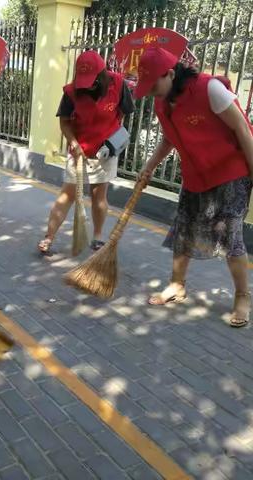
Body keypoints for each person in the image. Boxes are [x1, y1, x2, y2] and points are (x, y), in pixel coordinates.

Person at [136, 46, 253, 328]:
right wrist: (148, 166)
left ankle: (242, 296)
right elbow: (168, 139)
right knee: (184, 229)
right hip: (195, 174)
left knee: (230, 235)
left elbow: (242, 128)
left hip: (230, 173)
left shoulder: (209, 89)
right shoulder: (162, 101)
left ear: (171, 73)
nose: (152, 92)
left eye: (154, 85)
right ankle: (177, 285)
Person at [37, 50, 134, 254]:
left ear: (101, 75)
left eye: (91, 80)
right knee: (67, 195)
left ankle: (98, 236)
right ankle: (49, 236)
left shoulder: (118, 85)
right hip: (79, 151)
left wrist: (113, 139)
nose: (86, 85)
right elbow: (64, 122)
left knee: (99, 196)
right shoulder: (72, 92)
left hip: (105, 152)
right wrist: (73, 142)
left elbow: (123, 114)